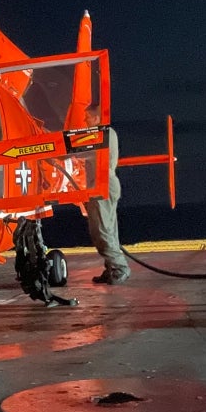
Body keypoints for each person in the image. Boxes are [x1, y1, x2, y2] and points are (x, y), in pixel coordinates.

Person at [85, 107, 131, 285]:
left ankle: (120, 268)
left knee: (101, 230)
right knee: (110, 229)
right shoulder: (109, 133)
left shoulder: (99, 134)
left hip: (101, 184)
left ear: (97, 117)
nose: (85, 120)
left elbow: (80, 152)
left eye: (88, 117)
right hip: (107, 182)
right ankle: (112, 267)